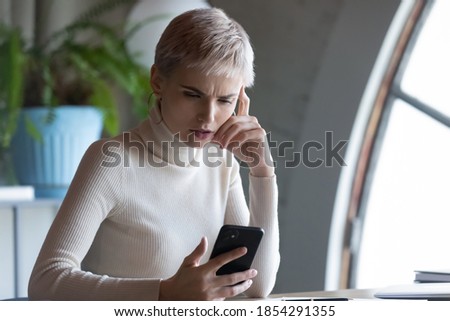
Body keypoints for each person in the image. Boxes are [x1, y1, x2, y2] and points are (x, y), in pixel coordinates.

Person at [28, 7, 279, 301]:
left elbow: (258, 286)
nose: (208, 117)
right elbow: (46, 281)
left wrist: (262, 171)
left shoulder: (222, 163)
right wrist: (163, 293)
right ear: (158, 81)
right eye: (192, 94)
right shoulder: (112, 160)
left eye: (226, 100)